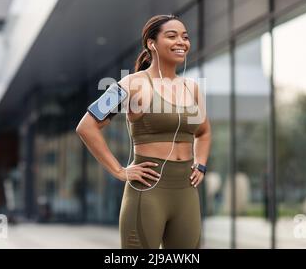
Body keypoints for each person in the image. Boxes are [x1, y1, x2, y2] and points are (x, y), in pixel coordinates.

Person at [76, 14, 211, 249]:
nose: (181, 41)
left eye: (185, 37)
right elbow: (87, 126)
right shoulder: (131, 84)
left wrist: (200, 163)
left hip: (186, 193)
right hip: (148, 192)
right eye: (172, 36)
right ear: (151, 43)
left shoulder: (193, 89)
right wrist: (119, 171)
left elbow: (204, 132)